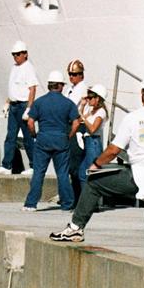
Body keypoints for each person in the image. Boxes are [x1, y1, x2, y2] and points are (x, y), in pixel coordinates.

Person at [50, 72, 144, 263]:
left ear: (142, 94)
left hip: (138, 177)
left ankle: (75, 228)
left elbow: (114, 149)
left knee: (94, 183)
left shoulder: (134, 118)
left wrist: (96, 164)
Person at [24, 71, 80, 211]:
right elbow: (76, 123)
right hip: (61, 139)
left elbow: (30, 122)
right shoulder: (68, 103)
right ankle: (67, 204)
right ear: (60, 86)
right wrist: (69, 136)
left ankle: (31, 204)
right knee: (62, 173)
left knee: (38, 172)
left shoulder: (39, 102)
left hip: (43, 139)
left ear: (49, 85)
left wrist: (34, 135)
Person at [0, 40, 38, 174]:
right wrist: (7, 102)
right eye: (14, 54)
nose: (16, 56)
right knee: (10, 136)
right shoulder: (14, 68)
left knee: (27, 137)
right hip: (14, 105)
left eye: (18, 54)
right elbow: (14, 88)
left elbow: (32, 89)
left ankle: (33, 165)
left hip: (23, 106)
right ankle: (6, 166)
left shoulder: (28, 68)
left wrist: (28, 108)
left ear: (25, 54)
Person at [64, 60, 89, 200]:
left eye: (75, 74)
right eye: (70, 74)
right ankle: (74, 196)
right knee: (71, 164)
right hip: (69, 125)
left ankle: (79, 198)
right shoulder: (70, 89)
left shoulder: (82, 89)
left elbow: (70, 106)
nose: (72, 77)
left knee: (76, 164)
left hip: (78, 127)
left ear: (81, 75)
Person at [76, 84, 108, 179]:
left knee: (90, 174)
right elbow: (79, 120)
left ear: (97, 98)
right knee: (82, 173)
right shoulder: (92, 110)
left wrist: (84, 118)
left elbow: (93, 129)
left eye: (90, 97)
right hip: (89, 142)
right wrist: (82, 106)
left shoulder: (101, 112)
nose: (88, 99)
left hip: (94, 143)